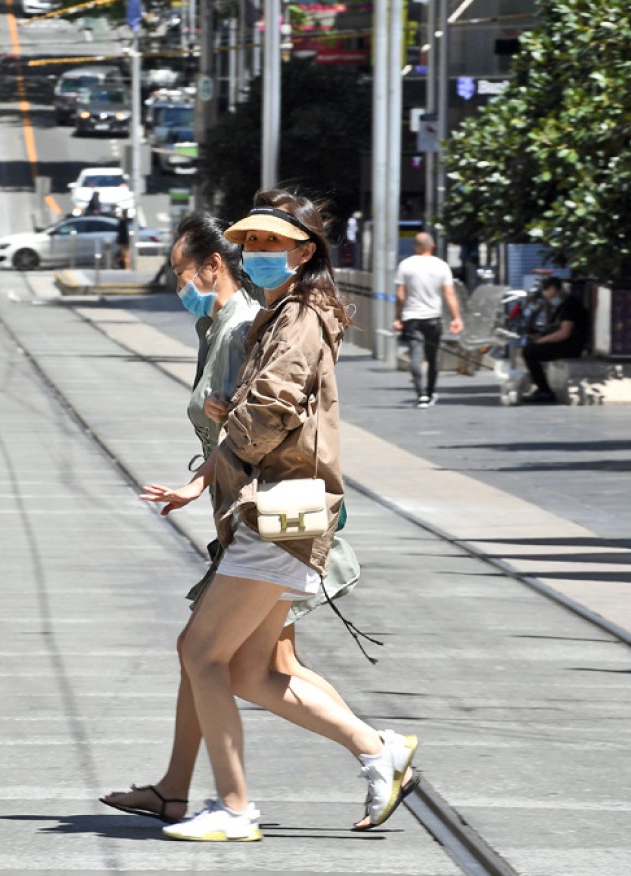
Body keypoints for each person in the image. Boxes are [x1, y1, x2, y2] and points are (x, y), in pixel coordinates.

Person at [101, 214, 386, 828]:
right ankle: (378, 754)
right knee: (247, 669)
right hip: (274, 507)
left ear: (304, 251)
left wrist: (215, 451)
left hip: (280, 506)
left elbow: (270, 410)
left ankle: (233, 805)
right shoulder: (277, 314)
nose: (254, 253)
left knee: (206, 654)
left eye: (269, 243)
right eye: (250, 241)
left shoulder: (290, 318)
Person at [394, 232, 463, 408]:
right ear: (432, 246)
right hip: (433, 318)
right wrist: (456, 318)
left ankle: (421, 395)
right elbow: (449, 293)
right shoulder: (441, 266)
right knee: (432, 357)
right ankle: (431, 392)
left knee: (416, 356)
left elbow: (400, 296)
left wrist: (398, 317)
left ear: (415, 246)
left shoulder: (405, 265)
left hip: (411, 317)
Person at [521, 276, 588, 404]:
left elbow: (564, 333)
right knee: (530, 348)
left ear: (554, 288)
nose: (545, 294)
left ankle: (544, 391)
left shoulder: (570, 305)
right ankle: (540, 386)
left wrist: (541, 341)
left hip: (570, 346)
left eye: (546, 290)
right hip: (565, 344)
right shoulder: (562, 305)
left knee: (530, 352)